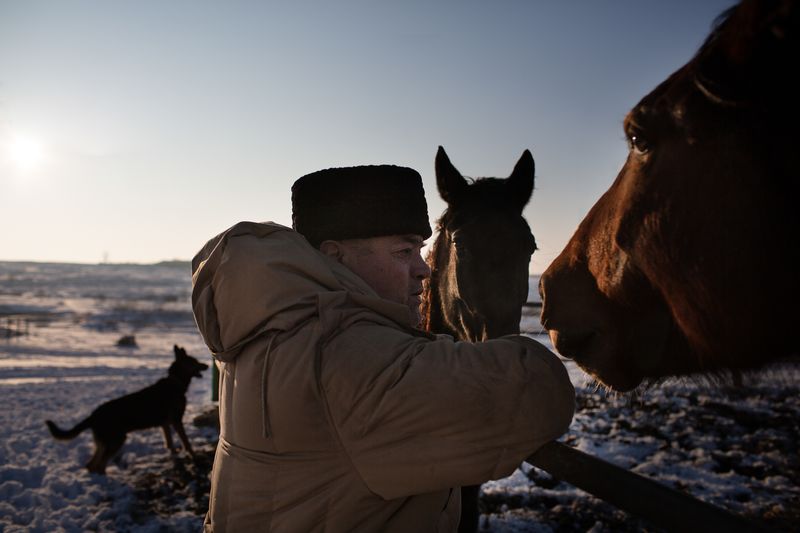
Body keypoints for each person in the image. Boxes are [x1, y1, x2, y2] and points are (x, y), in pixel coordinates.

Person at [191, 164, 575, 532]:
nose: (425, 269)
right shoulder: (348, 354)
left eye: (421, 250)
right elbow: (537, 394)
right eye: (403, 252)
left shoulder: (269, 328)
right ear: (335, 256)